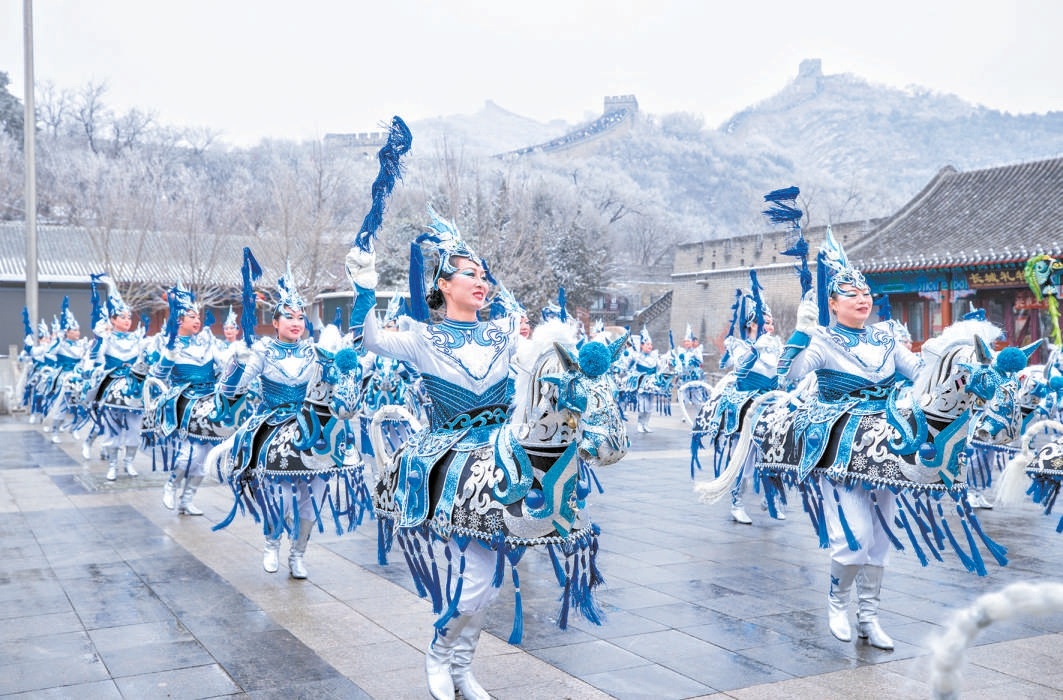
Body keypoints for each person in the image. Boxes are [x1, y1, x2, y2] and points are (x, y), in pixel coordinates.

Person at [345, 207, 524, 700]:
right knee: (477, 577)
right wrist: (364, 286)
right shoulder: (423, 336)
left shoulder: (506, 331)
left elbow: (540, 368)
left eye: (483, 274)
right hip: (448, 467)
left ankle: (461, 666)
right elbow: (369, 339)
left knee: (486, 581)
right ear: (444, 285)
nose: (481, 281)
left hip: (502, 463)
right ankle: (440, 654)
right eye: (470, 274)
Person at [776, 229, 924, 651]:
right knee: (854, 537)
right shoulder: (822, 341)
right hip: (839, 445)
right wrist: (802, 333)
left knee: (880, 538)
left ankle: (869, 618)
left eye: (866, 293)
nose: (863, 299)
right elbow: (788, 377)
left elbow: (919, 376)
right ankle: (837, 601)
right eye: (851, 293)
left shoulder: (887, 337)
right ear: (833, 304)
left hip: (885, 445)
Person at [214, 263, 366, 579]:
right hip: (273, 422)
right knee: (280, 498)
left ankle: (298, 554)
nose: (296, 322)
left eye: (300, 317)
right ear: (276, 322)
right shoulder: (263, 350)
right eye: (289, 317)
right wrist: (238, 364)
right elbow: (233, 389)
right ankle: (272, 544)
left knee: (313, 500)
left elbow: (334, 386)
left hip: (311, 425)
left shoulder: (315, 352)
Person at [149, 283, 235, 515]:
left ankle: (187, 499)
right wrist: (168, 357)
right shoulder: (165, 342)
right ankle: (171, 485)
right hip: (185, 401)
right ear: (178, 319)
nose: (197, 320)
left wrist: (238, 356)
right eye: (191, 316)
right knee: (190, 453)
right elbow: (157, 375)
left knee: (204, 456)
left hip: (210, 399)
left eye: (198, 316)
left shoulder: (207, 339)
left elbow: (223, 364)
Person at [715, 290, 785, 524]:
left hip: (773, 405)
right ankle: (737, 502)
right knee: (745, 459)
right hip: (748, 407)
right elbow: (741, 372)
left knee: (775, 454)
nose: (771, 327)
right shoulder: (739, 346)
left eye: (772, 323)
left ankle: (771, 498)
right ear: (752, 324)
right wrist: (756, 350)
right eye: (766, 322)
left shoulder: (776, 345)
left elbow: (784, 372)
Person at [82, 275, 150, 481]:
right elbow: (94, 357)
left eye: (129, 317)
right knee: (112, 428)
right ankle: (112, 464)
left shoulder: (138, 337)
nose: (127, 321)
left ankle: (128, 462)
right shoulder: (106, 337)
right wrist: (98, 339)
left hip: (134, 384)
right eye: (122, 317)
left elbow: (145, 359)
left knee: (135, 428)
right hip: (112, 380)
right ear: (113, 320)